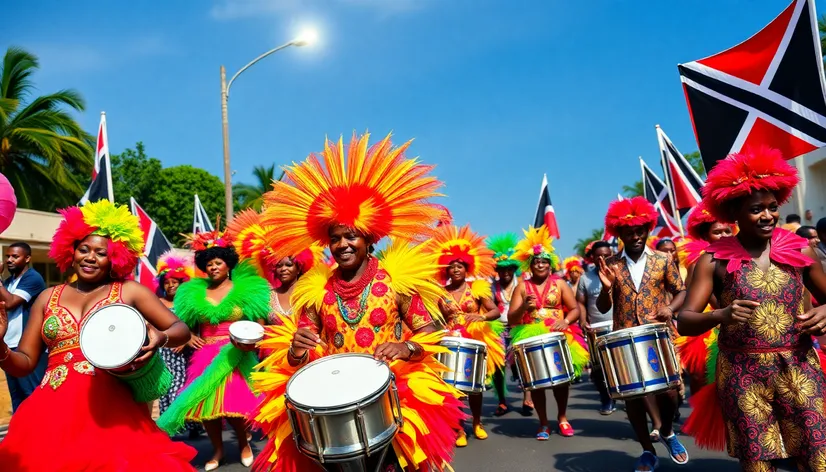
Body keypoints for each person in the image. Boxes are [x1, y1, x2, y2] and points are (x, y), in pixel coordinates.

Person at [251, 133, 464, 472]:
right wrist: (296, 349)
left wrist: (405, 348)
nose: (342, 245)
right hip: (336, 402)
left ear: (368, 238)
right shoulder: (315, 289)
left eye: (350, 236)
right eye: (334, 238)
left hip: (392, 395)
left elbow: (431, 333)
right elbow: (299, 355)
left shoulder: (396, 279)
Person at [0, 200, 195, 471]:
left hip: (112, 412)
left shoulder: (129, 291)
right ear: (71, 251)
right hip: (49, 416)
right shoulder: (47, 297)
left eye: (101, 253)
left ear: (115, 258)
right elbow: (25, 363)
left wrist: (160, 337)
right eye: (84, 249)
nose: (90, 257)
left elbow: (180, 329)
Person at [678, 148, 826, 471]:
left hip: (799, 367)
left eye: (773, 208)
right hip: (742, 376)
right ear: (734, 213)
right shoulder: (712, 261)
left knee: (818, 459)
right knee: (759, 465)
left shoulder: (802, 250)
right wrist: (721, 315)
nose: (768, 216)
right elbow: (684, 320)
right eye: (756, 209)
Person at [157, 230, 271, 471]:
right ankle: (217, 450)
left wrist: (252, 341)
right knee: (207, 408)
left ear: (227, 264)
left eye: (218, 262)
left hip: (235, 353)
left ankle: (244, 444)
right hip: (205, 355)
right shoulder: (192, 292)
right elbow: (182, 326)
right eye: (208, 264)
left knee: (234, 407)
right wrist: (190, 340)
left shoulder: (248, 288)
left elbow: (259, 324)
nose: (213, 267)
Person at [596, 196, 688, 471]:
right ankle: (647, 451)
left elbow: (680, 290)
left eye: (639, 231)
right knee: (633, 397)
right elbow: (603, 307)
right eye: (629, 232)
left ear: (647, 229)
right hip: (624, 336)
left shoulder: (663, 259)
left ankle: (668, 431)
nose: (635, 236)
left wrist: (670, 309)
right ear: (620, 233)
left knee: (671, 392)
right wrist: (605, 288)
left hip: (658, 334)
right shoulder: (610, 264)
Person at [508, 225, 588, 440]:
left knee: (561, 381)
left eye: (544, 261)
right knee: (537, 382)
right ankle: (543, 423)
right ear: (530, 265)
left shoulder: (560, 283)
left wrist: (567, 321)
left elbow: (574, 309)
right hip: (531, 335)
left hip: (558, 334)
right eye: (536, 261)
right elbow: (511, 319)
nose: (540, 264)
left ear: (550, 264)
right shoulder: (522, 287)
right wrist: (524, 307)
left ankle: (562, 418)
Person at [429, 224, 504, 446]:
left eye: (460, 265)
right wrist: (442, 330)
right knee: (455, 388)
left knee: (475, 386)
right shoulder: (440, 293)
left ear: (467, 267)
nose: (456, 269)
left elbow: (495, 311)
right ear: (446, 270)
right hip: (451, 341)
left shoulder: (478, 288)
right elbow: (435, 318)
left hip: (474, 341)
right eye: (452, 266)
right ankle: (460, 429)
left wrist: (481, 318)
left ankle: (478, 422)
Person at [673, 201, 735, 398]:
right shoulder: (701, 262)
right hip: (708, 325)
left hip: (739, 321)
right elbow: (691, 293)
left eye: (728, 230)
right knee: (707, 382)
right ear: (705, 236)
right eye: (718, 232)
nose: (724, 235)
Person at [224, 208, 320, 325]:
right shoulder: (266, 295)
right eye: (279, 265)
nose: (283, 269)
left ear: (299, 268)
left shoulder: (309, 293)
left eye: (289, 265)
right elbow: (260, 330)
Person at [154, 251, 202, 439]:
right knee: (165, 390)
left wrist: (188, 337)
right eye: (167, 282)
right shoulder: (157, 302)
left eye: (175, 281)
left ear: (182, 283)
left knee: (180, 391)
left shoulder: (188, 304)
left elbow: (198, 328)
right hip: (163, 354)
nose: (171, 284)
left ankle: (189, 423)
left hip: (183, 356)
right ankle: (171, 427)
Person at [1, 242, 47, 411]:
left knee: (33, 395)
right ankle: (21, 436)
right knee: (17, 398)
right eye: (7, 256)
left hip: (28, 348)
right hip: (9, 347)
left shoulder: (33, 278)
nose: (9, 260)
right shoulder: (9, 281)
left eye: (15, 256)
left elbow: (11, 302)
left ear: (27, 258)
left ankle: (42, 434)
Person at [487, 232, 526, 416]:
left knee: (524, 363)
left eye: (509, 269)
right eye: (502, 270)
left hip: (520, 327)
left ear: (513, 269)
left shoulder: (523, 284)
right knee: (497, 366)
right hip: (499, 329)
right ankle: (502, 401)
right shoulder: (491, 287)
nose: (505, 273)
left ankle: (528, 398)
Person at [576, 240, 616, 415]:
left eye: (606, 255)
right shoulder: (585, 278)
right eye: (598, 255)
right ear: (592, 257)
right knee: (598, 370)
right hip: (596, 328)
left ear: (612, 255)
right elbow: (581, 302)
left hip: (619, 326)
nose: (602, 258)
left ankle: (624, 395)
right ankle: (606, 398)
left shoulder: (621, 272)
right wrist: (583, 321)